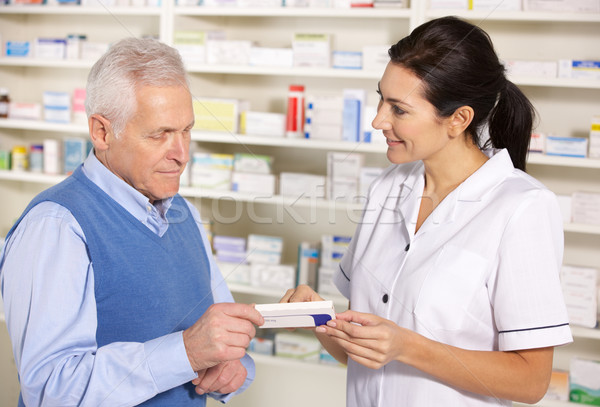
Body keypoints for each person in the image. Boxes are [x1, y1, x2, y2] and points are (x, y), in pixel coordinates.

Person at [281, 16, 573, 407]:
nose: (378, 120)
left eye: (398, 110)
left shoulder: (522, 207)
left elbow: (531, 381)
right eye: (381, 98)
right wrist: (318, 321)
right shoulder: (387, 188)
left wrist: (407, 347)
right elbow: (365, 354)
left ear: (458, 119)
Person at [0, 37, 264, 407]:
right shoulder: (57, 227)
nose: (181, 154)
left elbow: (220, 339)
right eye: (159, 135)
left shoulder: (182, 214)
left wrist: (233, 367)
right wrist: (184, 352)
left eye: (186, 130)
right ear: (102, 132)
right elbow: (49, 390)